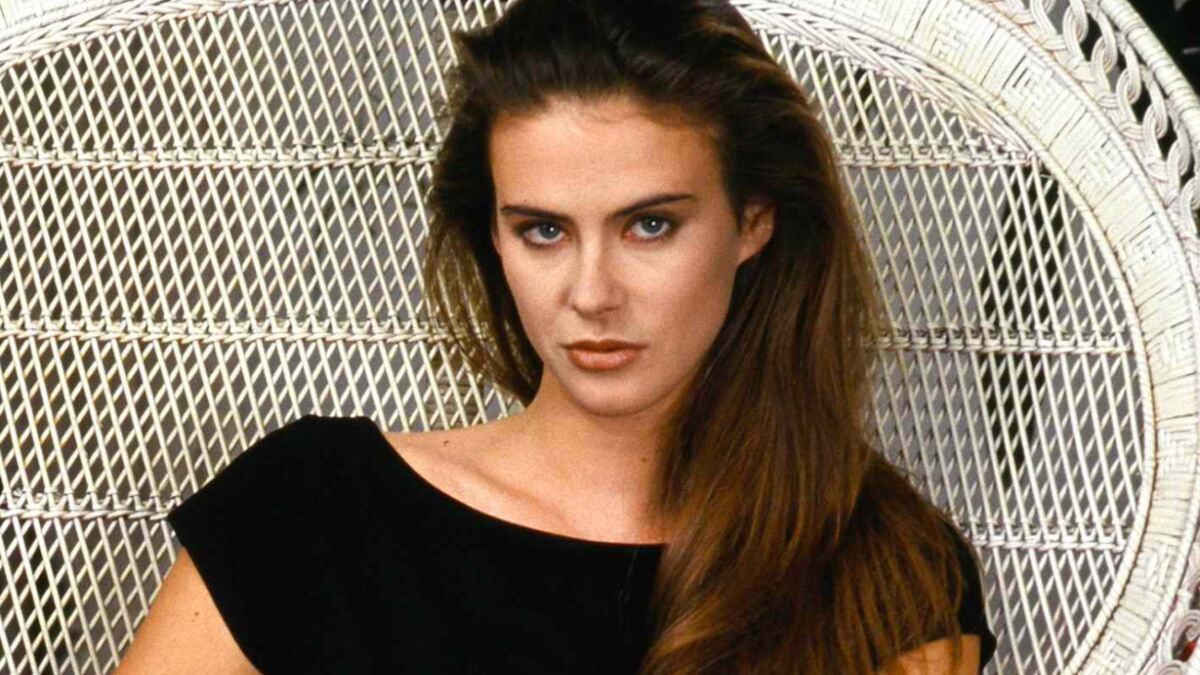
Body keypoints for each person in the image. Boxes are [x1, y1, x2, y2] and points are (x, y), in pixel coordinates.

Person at [115, 0, 998, 673]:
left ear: (753, 220)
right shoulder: (311, 510)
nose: (591, 295)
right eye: (543, 230)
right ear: (493, 236)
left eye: (650, 225)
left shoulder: (883, 566)